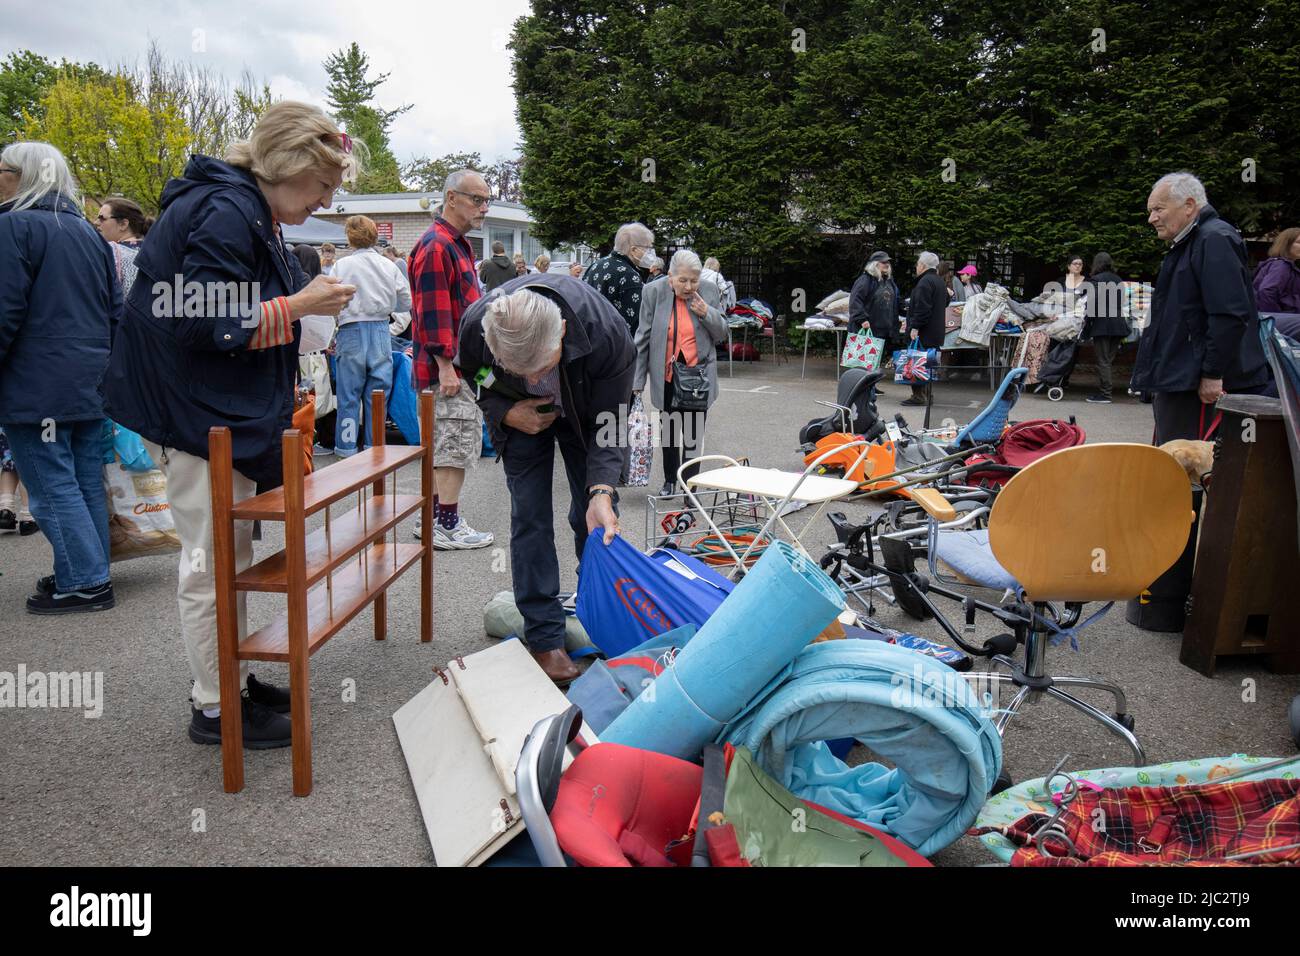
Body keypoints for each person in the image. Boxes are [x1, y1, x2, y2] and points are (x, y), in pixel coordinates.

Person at [102, 101, 360, 747]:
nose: (325, 201)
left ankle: (230, 683)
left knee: (227, 556)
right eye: (323, 186)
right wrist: (301, 303)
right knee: (212, 563)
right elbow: (205, 324)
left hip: (205, 411)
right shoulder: (225, 209)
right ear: (289, 165)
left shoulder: (241, 205)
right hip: (196, 417)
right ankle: (216, 706)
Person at [458, 275, 634, 684]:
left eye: (543, 366)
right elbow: (473, 370)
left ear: (564, 334)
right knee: (530, 517)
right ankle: (544, 635)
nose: (535, 376)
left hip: (588, 416)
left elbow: (612, 423)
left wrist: (602, 491)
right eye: (520, 369)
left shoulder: (607, 333)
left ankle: (605, 620)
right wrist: (502, 407)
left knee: (592, 518)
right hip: (522, 419)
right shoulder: (478, 325)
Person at [0, 141, 120, 614]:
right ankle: (88, 570)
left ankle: (85, 579)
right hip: (88, 379)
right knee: (85, 479)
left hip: (37, 381)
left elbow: (5, 310)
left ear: (23, 175)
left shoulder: (14, 227)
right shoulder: (85, 231)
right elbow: (113, 310)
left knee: (51, 484)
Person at [1132, 172, 1270, 444]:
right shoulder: (1194, 241)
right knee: (1176, 465)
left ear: (1189, 205)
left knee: (1190, 467)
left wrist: (1212, 374)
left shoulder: (1213, 239)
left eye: (1158, 209)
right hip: (1186, 379)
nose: (1151, 218)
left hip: (1199, 384)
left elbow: (1228, 314)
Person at [407, 169, 494, 549]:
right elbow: (433, 313)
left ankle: (433, 519)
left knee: (447, 443)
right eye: (477, 199)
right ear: (451, 197)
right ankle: (445, 524)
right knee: (452, 445)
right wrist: (445, 366)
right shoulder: (438, 245)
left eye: (486, 200)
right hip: (448, 369)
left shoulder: (455, 243)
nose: (484, 208)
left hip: (457, 366)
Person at [634, 249, 728, 496]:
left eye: (693, 280)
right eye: (682, 280)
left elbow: (722, 334)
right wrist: (637, 380)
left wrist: (706, 312)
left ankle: (690, 487)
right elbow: (643, 337)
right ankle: (669, 481)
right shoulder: (652, 292)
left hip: (697, 377)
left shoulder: (708, 291)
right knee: (669, 432)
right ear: (670, 277)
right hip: (667, 376)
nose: (688, 286)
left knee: (693, 435)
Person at [329, 215, 411, 457]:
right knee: (378, 396)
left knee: (348, 396)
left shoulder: (341, 266)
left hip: (350, 330)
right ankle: (375, 448)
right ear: (375, 235)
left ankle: (345, 448)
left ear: (349, 237)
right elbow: (406, 301)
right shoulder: (388, 265)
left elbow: (331, 301)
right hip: (379, 331)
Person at [584, 222, 657, 336]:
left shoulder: (595, 266)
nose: (651, 252)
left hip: (591, 338)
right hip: (616, 346)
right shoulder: (629, 276)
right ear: (634, 250)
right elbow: (637, 324)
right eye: (648, 247)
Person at [1080, 252, 1129, 404]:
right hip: (1119, 325)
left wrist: (1087, 324)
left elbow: (1092, 305)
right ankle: (1105, 392)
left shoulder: (1096, 280)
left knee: (1103, 361)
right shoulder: (1118, 280)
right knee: (1108, 360)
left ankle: (1105, 394)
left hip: (1102, 325)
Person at [902, 251, 947, 406]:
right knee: (929, 363)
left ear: (922, 265)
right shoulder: (940, 281)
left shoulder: (924, 282)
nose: (916, 267)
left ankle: (919, 396)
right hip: (936, 331)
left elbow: (922, 308)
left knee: (917, 361)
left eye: (917, 264)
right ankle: (928, 394)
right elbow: (946, 301)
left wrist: (914, 327)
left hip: (924, 331)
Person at [95, 196, 153, 297]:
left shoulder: (109, 251)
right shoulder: (155, 251)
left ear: (123, 224)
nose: (96, 223)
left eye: (102, 218)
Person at [847, 251, 902, 355]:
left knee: (875, 363)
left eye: (888, 262)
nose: (887, 264)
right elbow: (855, 301)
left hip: (885, 331)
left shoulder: (890, 281)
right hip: (868, 330)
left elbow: (897, 301)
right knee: (864, 365)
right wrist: (862, 319)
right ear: (874, 264)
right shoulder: (865, 280)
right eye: (883, 262)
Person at [1253, 227, 1300, 314]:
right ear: (1286, 244)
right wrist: (1273, 318)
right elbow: (1266, 292)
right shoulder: (1281, 265)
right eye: (1299, 242)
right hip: (1282, 321)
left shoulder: (1282, 265)